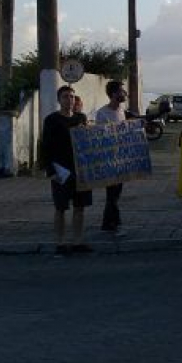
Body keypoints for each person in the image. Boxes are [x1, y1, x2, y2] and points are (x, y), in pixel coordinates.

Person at [42, 85, 94, 256]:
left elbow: (88, 142)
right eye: (65, 97)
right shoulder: (52, 120)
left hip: (81, 170)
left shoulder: (81, 117)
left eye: (72, 97)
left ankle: (78, 241)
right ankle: (60, 242)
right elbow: (46, 147)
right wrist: (50, 171)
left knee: (80, 207)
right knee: (61, 208)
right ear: (59, 100)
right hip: (61, 171)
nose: (69, 100)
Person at [96, 80, 128, 235]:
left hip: (121, 158)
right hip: (108, 159)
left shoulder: (122, 111)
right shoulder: (102, 113)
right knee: (112, 193)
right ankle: (114, 223)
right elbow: (100, 137)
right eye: (122, 91)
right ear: (114, 94)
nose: (125, 94)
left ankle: (108, 223)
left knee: (116, 193)